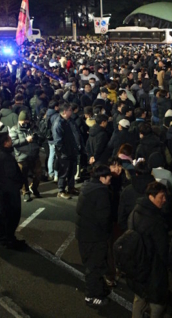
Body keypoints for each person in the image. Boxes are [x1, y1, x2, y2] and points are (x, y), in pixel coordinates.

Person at [128, 182, 170, 318]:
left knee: (139, 299)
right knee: (157, 304)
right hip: (153, 269)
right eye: (162, 196)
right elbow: (162, 250)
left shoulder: (135, 211)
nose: (164, 200)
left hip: (137, 266)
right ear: (151, 196)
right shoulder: (155, 220)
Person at [75, 165, 113, 307]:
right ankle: (92, 296)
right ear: (101, 178)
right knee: (94, 267)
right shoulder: (101, 192)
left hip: (83, 234)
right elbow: (104, 217)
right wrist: (107, 233)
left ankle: (98, 290)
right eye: (108, 176)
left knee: (91, 265)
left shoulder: (87, 187)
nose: (110, 178)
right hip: (95, 236)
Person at [0, 132, 25, 249]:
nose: (11, 141)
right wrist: (20, 181)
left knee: (3, 214)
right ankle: (9, 239)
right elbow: (11, 174)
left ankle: (3, 237)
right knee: (13, 215)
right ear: (5, 143)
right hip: (10, 190)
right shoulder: (6, 157)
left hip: (1, 189)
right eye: (10, 140)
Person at [9, 111, 42, 201]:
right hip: (22, 156)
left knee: (38, 173)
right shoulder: (14, 129)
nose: (25, 124)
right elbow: (13, 142)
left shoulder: (33, 127)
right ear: (19, 120)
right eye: (23, 122)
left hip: (34, 155)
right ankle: (25, 192)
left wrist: (38, 137)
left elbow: (41, 136)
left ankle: (34, 188)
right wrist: (26, 140)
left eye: (27, 121)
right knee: (23, 176)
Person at [53, 103, 83, 199]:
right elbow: (58, 141)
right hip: (64, 153)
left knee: (71, 171)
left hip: (72, 150)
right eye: (70, 110)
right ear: (65, 111)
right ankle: (61, 191)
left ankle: (71, 187)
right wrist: (64, 152)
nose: (72, 111)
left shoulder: (68, 121)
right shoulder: (58, 123)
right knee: (63, 172)